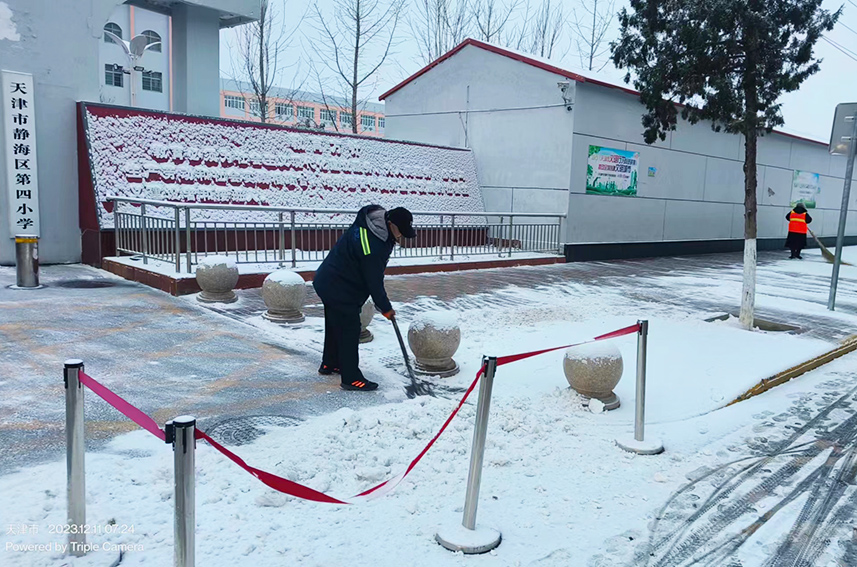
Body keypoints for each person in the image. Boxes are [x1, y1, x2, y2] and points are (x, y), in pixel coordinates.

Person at [312, 205, 417, 391]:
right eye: (400, 231)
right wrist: (386, 308)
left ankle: (330, 363)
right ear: (391, 223)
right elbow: (374, 280)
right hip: (339, 286)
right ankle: (351, 378)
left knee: (335, 323)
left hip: (328, 279)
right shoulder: (373, 244)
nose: (400, 236)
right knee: (350, 329)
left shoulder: (371, 226)